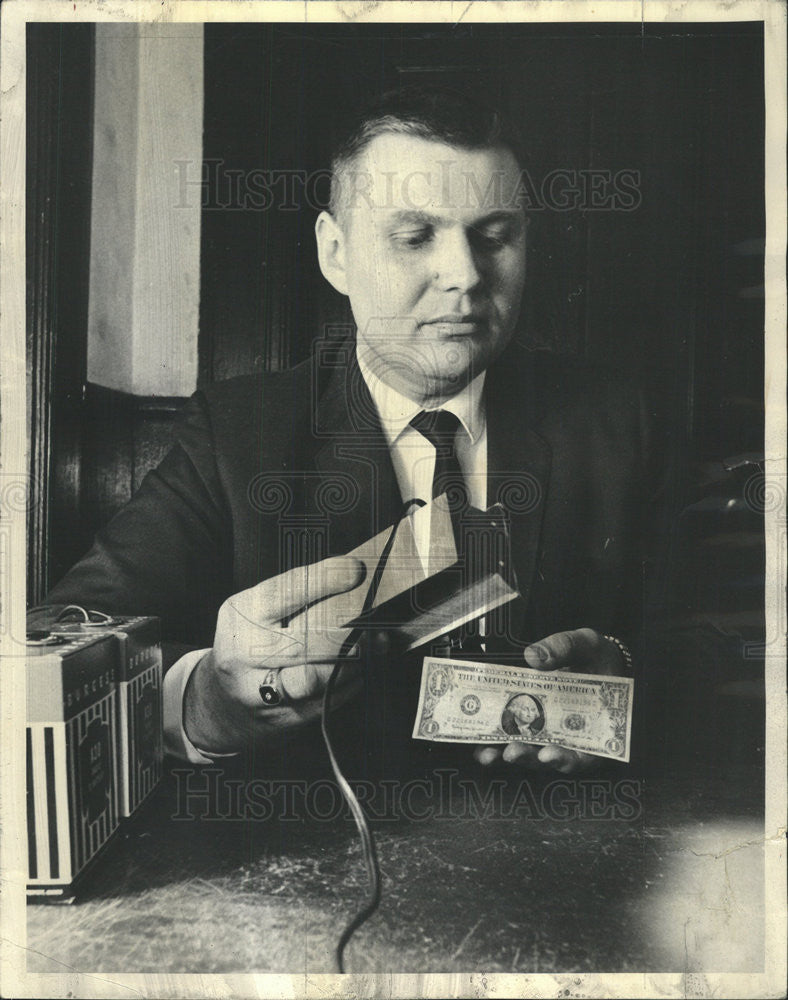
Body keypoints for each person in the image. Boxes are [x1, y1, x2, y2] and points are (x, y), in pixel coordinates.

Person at [44, 86, 650, 777]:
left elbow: (712, 643)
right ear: (335, 253)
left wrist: (624, 677)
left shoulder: (615, 419)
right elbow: (58, 645)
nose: (465, 275)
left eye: (494, 236)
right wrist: (206, 701)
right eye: (414, 236)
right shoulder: (236, 435)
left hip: (563, 860)